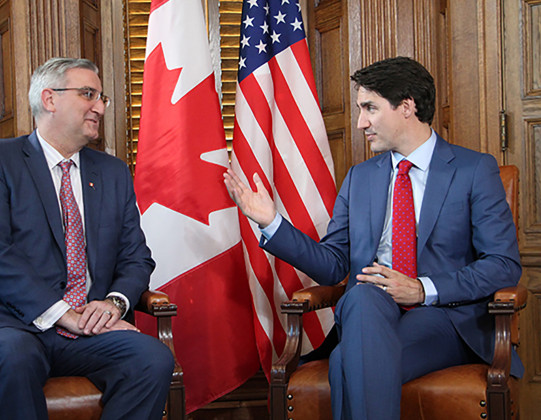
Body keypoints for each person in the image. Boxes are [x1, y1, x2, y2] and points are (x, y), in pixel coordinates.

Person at [223, 56, 522, 420]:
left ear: (407, 107)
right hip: (368, 310)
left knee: (346, 361)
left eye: (370, 108)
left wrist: (421, 289)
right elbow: (333, 265)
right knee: (363, 295)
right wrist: (272, 222)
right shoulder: (360, 178)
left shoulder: (474, 170)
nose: (361, 122)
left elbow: (503, 265)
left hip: (443, 317)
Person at [0, 57, 174, 420]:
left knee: (152, 359)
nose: (100, 107)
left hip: (88, 328)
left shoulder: (113, 172)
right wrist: (63, 314)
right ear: (49, 99)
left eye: (102, 98)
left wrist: (114, 304)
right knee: (15, 355)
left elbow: (136, 257)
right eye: (89, 94)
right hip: (10, 325)